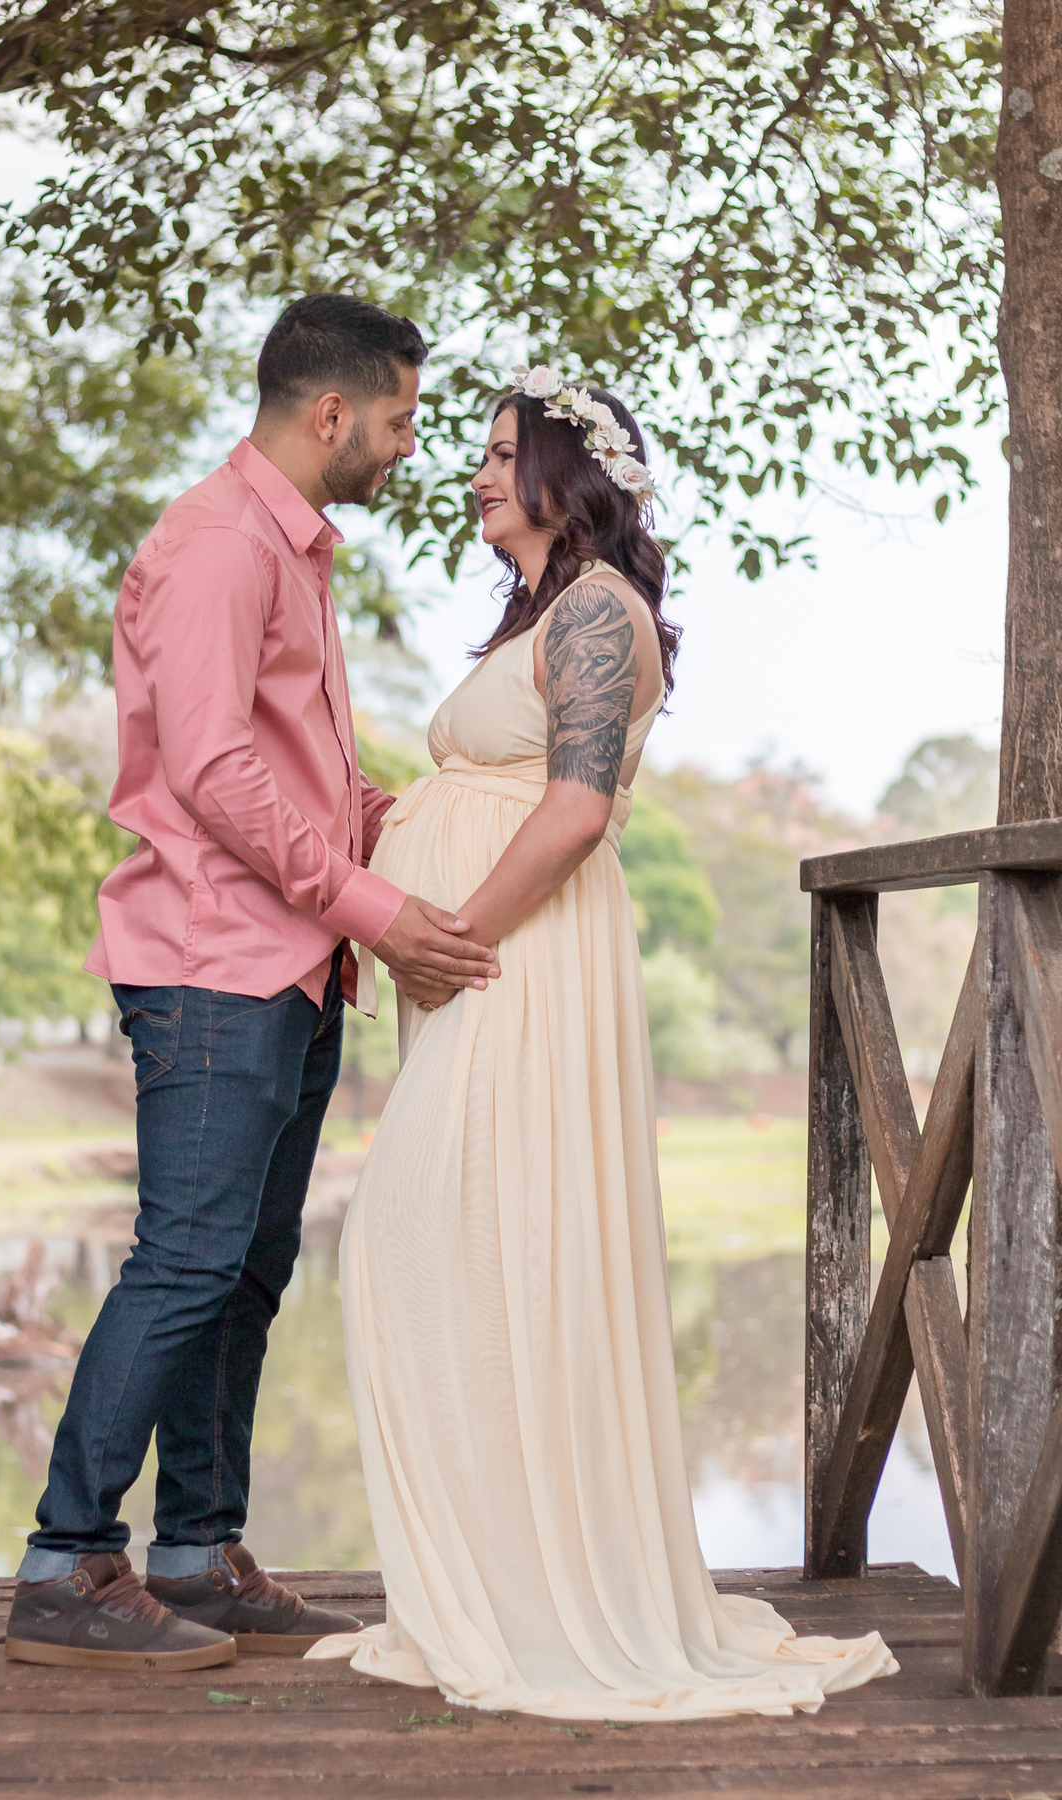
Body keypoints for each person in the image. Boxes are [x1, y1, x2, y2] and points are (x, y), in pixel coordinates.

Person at [307, 366, 898, 1720]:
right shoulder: (538, 614)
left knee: (423, 1242)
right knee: (464, 1252)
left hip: (520, 963)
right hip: (491, 962)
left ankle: (533, 1592)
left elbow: (573, 810)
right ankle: (494, 1582)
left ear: (568, 474)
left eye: (502, 452)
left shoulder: (593, 613)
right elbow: (504, 783)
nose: (473, 473)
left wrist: (446, 935)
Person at [4, 294, 501, 1674]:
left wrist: (398, 822)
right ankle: (65, 1562)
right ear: (331, 413)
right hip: (218, 960)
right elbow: (215, 774)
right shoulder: (222, 545)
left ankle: (196, 1550)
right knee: (187, 1261)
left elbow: (273, 760)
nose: (410, 447)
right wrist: (374, 907)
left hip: (290, 959)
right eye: (401, 420)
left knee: (244, 1275)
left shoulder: (294, 548)